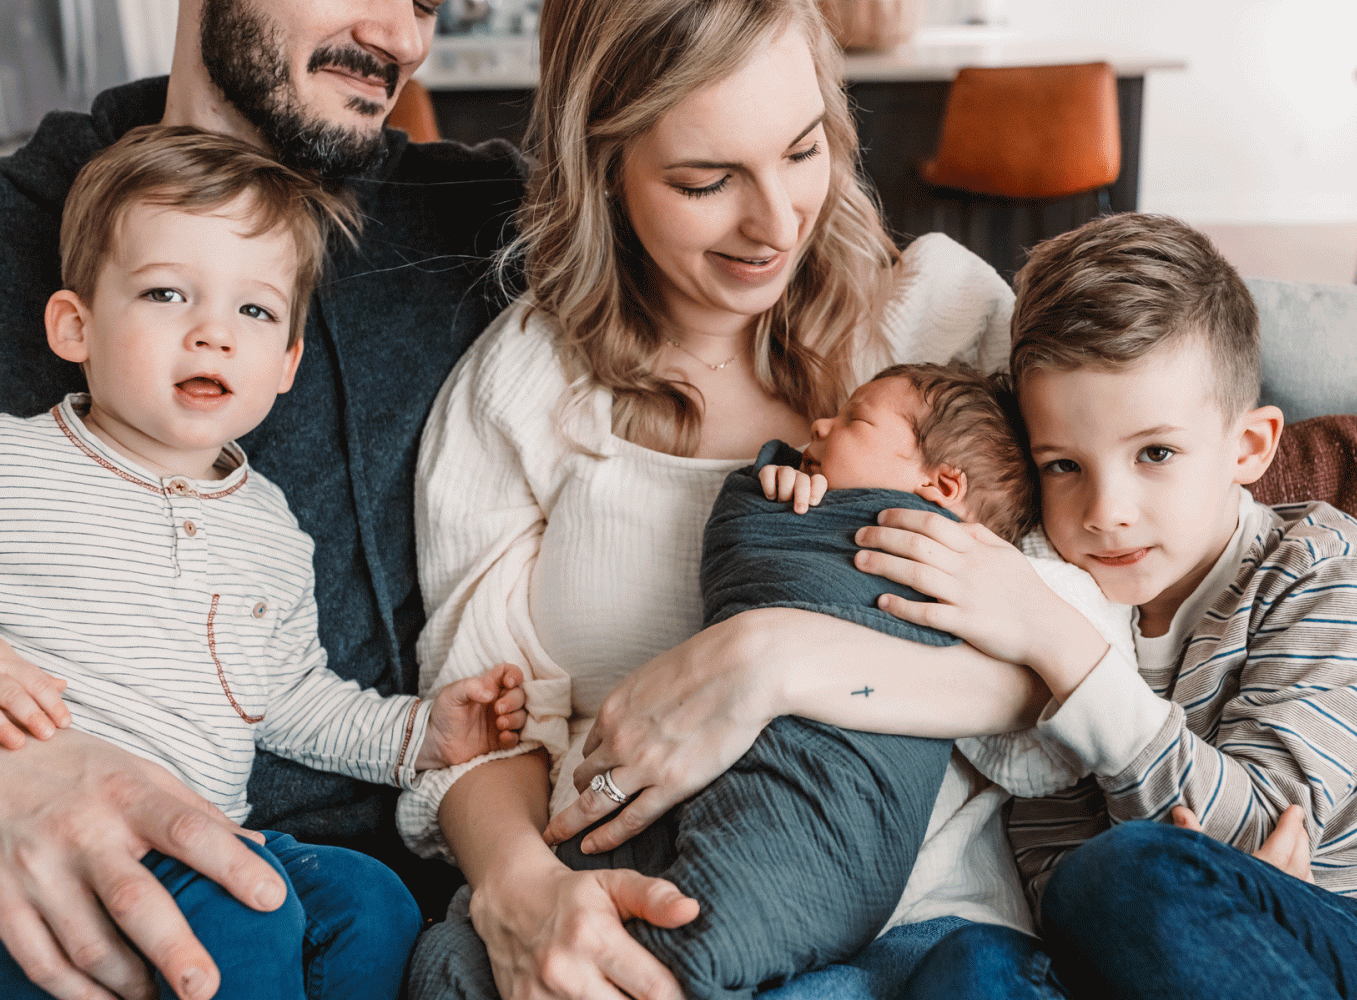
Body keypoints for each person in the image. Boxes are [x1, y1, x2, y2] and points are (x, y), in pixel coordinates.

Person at [401, 3, 1060, 1000]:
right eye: (703, 181)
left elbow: (1081, 652)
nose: (776, 222)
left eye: (800, 152)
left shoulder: (946, 326)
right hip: (642, 919)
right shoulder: (522, 391)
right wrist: (520, 884)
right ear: (602, 165)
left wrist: (769, 662)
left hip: (931, 935)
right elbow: (473, 726)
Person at [0, 1, 525, 998]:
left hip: (255, 840)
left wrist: (424, 735)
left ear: (281, 356)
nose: (406, 42)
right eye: (165, 296)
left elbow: (288, 693)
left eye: (425, 3)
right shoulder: (19, 442)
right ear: (73, 323)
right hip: (79, 873)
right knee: (249, 912)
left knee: (365, 906)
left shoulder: (267, 528)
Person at [881, 212, 1357, 1000]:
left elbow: (1265, 831)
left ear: (1249, 448)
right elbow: (1050, 862)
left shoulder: (1323, 566)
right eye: (1063, 465)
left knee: (1128, 870)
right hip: (1151, 947)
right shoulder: (1048, 592)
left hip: (1355, 931)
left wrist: (1067, 656)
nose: (1106, 510)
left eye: (1155, 453)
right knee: (966, 964)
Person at [545, 361, 1133, 1000]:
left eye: (854, 419)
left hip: (886, 881)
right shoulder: (798, 496)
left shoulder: (999, 578)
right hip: (690, 791)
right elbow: (749, 555)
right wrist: (768, 496)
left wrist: (779, 660)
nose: (820, 424)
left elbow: (1058, 722)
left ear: (942, 484)